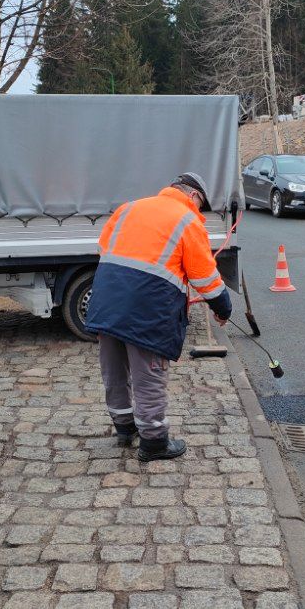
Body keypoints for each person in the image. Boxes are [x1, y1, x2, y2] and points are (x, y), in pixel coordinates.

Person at [86, 172, 233, 462]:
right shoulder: (186, 220)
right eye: (200, 205)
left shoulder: (130, 207)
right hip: (147, 307)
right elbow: (205, 277)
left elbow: (104, 247)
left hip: (107, 297)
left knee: (113, 368)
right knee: (148, 373)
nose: (199, 212)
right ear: (192, 196)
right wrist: (223, 308)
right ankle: (153, 442)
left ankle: (125, 428)